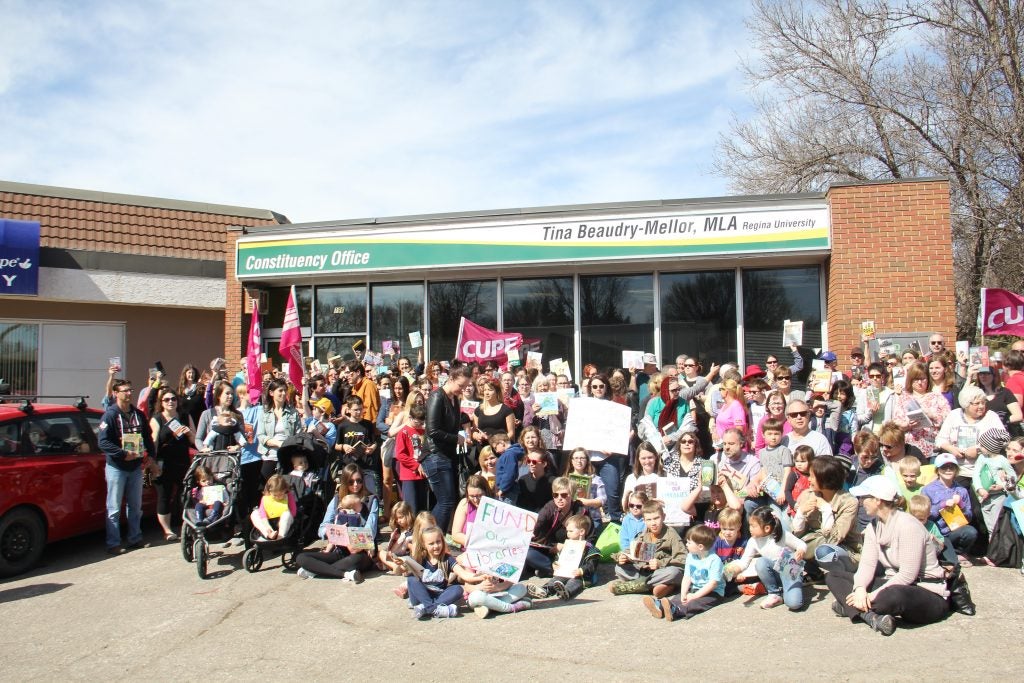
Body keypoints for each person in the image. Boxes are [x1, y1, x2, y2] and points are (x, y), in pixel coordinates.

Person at [826, 475, 949, 636]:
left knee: (892, 596)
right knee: (833, 576)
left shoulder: (908, 526)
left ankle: (850, 607)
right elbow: (867, 564)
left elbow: (907, 575)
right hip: (892, 583)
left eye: (864, 497)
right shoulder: (873, 526)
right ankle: (871, 617)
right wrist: (860, 589)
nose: (861, 502)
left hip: (925, 591)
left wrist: (872, 595)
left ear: (878, 500)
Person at [98, 379, 157, 554]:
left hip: (136, 468)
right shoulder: (110, 415)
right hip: (116, 468)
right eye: (125, 391)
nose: (129, 393)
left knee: (135, 506)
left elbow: (147, 437)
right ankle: (113, 543)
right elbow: (103, 442)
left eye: (130, 390)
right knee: (114, 507)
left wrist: (151, 456)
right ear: (116, 393)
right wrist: (123, 453)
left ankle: (135, 538)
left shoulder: (138, 414)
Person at [296, 466, 379, 581]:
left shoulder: (371, 500)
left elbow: (371, 531)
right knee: (301, 557)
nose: (356, 485)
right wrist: (335, 531)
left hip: (361, 551)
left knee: (355, 560)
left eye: (359, 481)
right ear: (345, 482)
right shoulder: (337, 500)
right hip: (339, 551)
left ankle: (315, 571)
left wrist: (351, 537)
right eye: (351, 482)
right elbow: (322, 528)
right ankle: (344, 574)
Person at [792, 455, 862, 573]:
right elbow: (796, 534)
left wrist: (826, 509)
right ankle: (814, 573)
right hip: (811, 546)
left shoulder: (849, 502)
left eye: (812, 476)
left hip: (843, 551)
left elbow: (834, 539)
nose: (809, 479)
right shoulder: (808, 495)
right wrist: (801, 513)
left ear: (825, 479)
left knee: (823, 550)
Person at [728, 506, 806, 610]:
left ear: (767, 528)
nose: (750, 529)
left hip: (789, 571)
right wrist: (728, 574)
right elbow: (743, 563)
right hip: (776, 573)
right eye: (749, 525)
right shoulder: (753, 541)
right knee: (761, 562)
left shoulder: (781, 534)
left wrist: (800, 551)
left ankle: (791, 588)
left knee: (794, 604)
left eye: (753, 526)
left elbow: (801, 544)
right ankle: (774, 594)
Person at [642, 524, 724, 621]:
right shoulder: (690, 556)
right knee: (679, 598)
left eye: (689, 542)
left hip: (713, 592)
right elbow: (687, 577)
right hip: (695, 588)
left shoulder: (714, 560)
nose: (686, 544)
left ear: (700, 546)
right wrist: (683, 593)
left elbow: (712, 584)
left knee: (695, 603)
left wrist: (694, 596)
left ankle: (677, 611)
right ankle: (661, 607)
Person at [423, 368, 471, 532]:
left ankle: (431, 536)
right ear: (451, 379)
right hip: (434, 454)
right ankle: (432, 536)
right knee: (446, 501)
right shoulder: (437, 396)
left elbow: (453, 426)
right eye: (460, 385)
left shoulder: (455, 399)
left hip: (447, 455)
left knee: (447, 501)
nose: (462, 390)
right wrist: (455, 438)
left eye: (465, 386)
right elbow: (432, 430)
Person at [610, 500, 685, 597]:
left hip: (661, 571)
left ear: (663, 517)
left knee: (674, 573)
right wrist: (621, 556)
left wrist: (660, 563)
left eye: (656, 518)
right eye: (649, 520)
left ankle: (636, 586)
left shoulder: (671, 534)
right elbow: (631, 550)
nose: (653, 523)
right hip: (645, 572)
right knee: (619, 569)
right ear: (644, 520)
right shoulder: (643, 534)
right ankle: (658, 586)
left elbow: (683, 558)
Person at [148, 387, 192, 541]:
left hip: (182, 461)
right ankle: (167, 530)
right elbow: (154, 441)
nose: (170, 402)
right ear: (161, 402)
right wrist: (151, 461)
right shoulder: (157, 419)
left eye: (173, 399)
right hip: (164, 462)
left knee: (185, 493)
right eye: (166, 399)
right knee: (164, 496)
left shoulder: (184, 416)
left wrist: (188, 433)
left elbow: (194, 439)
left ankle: (187, 525)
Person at [527, 514, 601, 602]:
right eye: (567, 531)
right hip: (565, 572)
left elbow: (592, 564)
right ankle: (545, 590)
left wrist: (581, 570)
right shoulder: (568, 546)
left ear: (581, 532)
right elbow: (559, 557)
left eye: (571, 531)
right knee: (556, 580)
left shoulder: (590, 548)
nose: (567, 533)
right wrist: (555, 564)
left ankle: (566, 591)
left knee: (574, 582)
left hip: (581, 576)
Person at [406, 526, 474, 620]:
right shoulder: (419, 558)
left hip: (439, 595)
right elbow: (401, 570)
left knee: (457, 589)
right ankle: (434, 609)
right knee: (411, 579)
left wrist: (480, 577)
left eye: (438, 542)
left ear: (442, 541)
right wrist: (400, 564)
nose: (436, 546)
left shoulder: (447, 559)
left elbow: (464, 574)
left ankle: (426, 609)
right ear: (424, 545)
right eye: (431, 543)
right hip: (420, 597)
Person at [922, 454, 977, 563]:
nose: (948, 470)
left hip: (954, 531)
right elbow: (924, 514)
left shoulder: (962, 490)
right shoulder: (928, 490)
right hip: (936, 532)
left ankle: (958, 552)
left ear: (956, 470)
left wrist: (961, 505)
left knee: (971, 532)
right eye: (944, 467)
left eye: (951, 467)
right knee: (951, 562)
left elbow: (969, 517)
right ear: (937, 470)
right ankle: (943, 555)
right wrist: (941, 505)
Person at [892, 362, 949, 461]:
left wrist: (931, 415)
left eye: (923, 379)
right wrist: (907, 425)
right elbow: (896, 421)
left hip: (933, 448)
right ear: (910, 380)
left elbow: (948, 418)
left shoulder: (937, 396)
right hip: (911, 448)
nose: (919, 382)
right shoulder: (903, 398)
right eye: (916, 379)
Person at [972, 428, 1017, 541]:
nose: (979, 447)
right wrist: (979, 489)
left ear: (991, 447)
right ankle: (993, 545)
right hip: (984, 497)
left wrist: (1002, 485)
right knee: (989, 525)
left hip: (998, 496)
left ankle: (997, 545)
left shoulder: (1002, 460)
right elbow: (976, 474)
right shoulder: (982, 458)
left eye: (982, 445)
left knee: (996, 524)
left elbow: (1013, 477)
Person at [256, 378, 301, 480]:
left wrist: (287, 445)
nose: (284, 393)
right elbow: (261, 435)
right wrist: (277, 443)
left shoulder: (293, 413)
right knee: (266, 486)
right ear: (271, 393)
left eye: (285, 390)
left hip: (287, 457)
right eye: (280, 390)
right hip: (269, 456)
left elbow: (298, 435)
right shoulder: (264, 413)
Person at [335, 396, 378, 494]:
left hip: (366, 465)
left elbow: (374, 442)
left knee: (369, 493)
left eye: (360, 409)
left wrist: (372, 448)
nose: (359, 412)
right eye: (355, 410)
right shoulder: (343, 426)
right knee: (350, 493)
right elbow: (336, 445)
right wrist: (344, 447)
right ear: (349, 410)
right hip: (349, 465)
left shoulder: (368, 425)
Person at [394, 403, 428, 514]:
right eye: (417, 423)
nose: (419, 425)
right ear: (410, 418)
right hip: (409, 475)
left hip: (423, 474)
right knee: (411, 507)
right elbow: (400, 455)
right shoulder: (403, 432)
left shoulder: (424, 432)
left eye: (422, 423)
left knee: (422, 507)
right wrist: (416, 465)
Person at [563, 447, 607, 531]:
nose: (579, 461)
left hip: (592, 519)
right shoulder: (565, 479)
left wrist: (586, 502)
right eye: (576, 458)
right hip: (571, 518)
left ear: (587, 460)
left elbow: (602, 499)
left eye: (582, 458)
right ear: (571, 461)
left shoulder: (595, 479)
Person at [250, 474, 296, 540]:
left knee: (287, 514)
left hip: (283, 521)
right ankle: (268, 533)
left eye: (281, 494)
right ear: (269, 491)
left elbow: (293, 511)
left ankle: (280, 536)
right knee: (254, 513)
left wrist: (285, 515)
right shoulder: (266, 498)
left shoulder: (288, 496)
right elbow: (262, 513)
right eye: (275, 495)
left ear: (285, 490)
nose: (278, 497)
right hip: (269, 521)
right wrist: (267, 526)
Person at [621, 442, 663, 512]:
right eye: (643, 458)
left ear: (655, 456)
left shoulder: (666, 476)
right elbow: (625, 505)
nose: (647, 461)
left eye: (650, 457)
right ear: (638, 459)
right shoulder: (632, 478)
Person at [450, 475, 490, 548]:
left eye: (479, 495)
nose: (475, 500)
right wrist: (477, 544)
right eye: (471, 496)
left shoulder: (495, 505)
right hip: (468, 549)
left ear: (486, 492)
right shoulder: (464, 504)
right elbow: (456, 534)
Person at [377, 502, 414, 575]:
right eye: (396, 519)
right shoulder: (398, 530)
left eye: (401, 517)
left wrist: (406, 543)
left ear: (408, 514)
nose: (398, 521)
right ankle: (395, 566)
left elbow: (415, 550)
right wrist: (394, 540)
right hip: (396, 557)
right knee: (380, 553)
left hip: (408, 559)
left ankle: (396, 567)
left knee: (408, 565)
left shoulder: (413, 530)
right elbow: (392, 550)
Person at [517, 448, 555, 513]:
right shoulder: (523, 480)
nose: (531, 464)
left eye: (534, 462)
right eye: (529, 461)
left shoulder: (553, 482)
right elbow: (520, 503)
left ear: (544, 464)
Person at [785, 445, 814, 515]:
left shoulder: (813, 474)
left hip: (811, 508)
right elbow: (787, 491)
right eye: (797, 461)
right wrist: (793, 504)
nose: (799, 464)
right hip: (796, 509)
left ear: (811, 461)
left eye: (803, 461)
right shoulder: (794, 474)